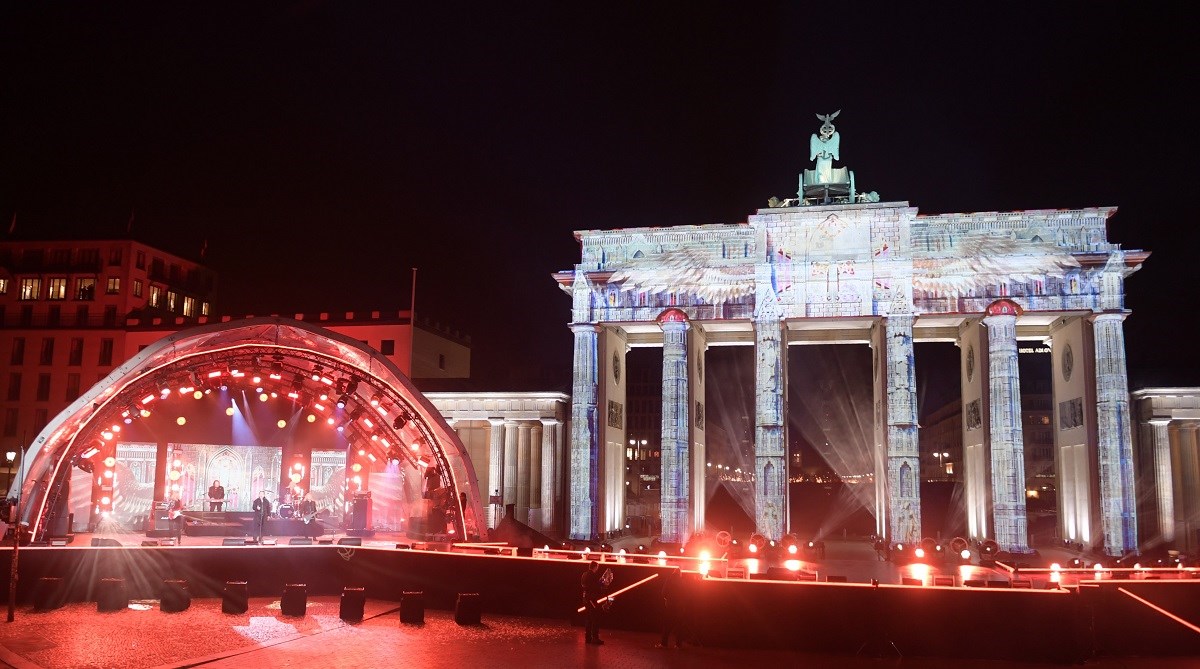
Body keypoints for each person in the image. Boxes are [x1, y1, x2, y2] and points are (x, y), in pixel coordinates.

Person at [581, 560, 608, 645]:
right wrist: (603, 584)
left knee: (589, 618)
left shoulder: (584, 574)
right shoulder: (592, 575)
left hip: (586, 599)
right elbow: (596, 587)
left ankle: (588, 638)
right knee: (595, 618)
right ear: (595, 567)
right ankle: (595, 638)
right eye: (597, 567)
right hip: (591, 599)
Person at [657, 567, 685, 648]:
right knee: (679, 626)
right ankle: (678, 645)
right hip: (679, 606)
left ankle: (664, 644)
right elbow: (686, 594)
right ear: (680, 573)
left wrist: (667, 599)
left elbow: (664, 592)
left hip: (670, 605)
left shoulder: (669, 580)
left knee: (667, 624)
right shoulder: (682, 581)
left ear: (673, 572)